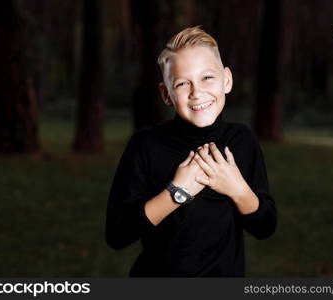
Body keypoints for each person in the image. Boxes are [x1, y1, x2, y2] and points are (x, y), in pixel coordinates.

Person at [105, 26, 277, 277]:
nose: (197, 92)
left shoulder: (242, 141)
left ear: (226, 80)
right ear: (166, 94)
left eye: (207, 78)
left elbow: (265, 226)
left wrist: (237, 188)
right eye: (183, 83)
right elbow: (118, 234)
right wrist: (177, 192)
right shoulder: (146, 145)